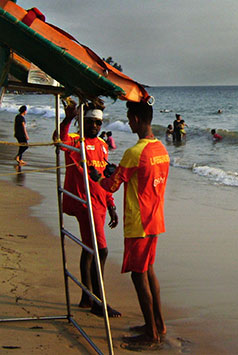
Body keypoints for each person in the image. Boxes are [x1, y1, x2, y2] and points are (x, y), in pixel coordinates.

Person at [92, 99, 169, 345]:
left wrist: (99, 175)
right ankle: (157, 324)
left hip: (139, 222)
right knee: (149, 270)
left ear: (135, 119)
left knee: (138, 275)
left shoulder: (134, 153)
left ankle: (151, 334)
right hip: (156, 219)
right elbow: (139, 177)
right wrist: (116, 171)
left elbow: (110, 185)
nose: (128, 121)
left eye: (128, 117)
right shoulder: (161, 150)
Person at [56, 99, 120, 317]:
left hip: (101, 202)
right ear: (82, 121)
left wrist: (111, 204)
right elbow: (58, 138)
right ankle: (98, 302)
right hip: (85, 204)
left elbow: (103, 177)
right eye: (90, 122)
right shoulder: (75, 142)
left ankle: (86, 296)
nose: (94, 126)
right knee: (101, 250)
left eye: (97, 123)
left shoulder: (103, 145)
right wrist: (68, 117)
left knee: (88, 248)